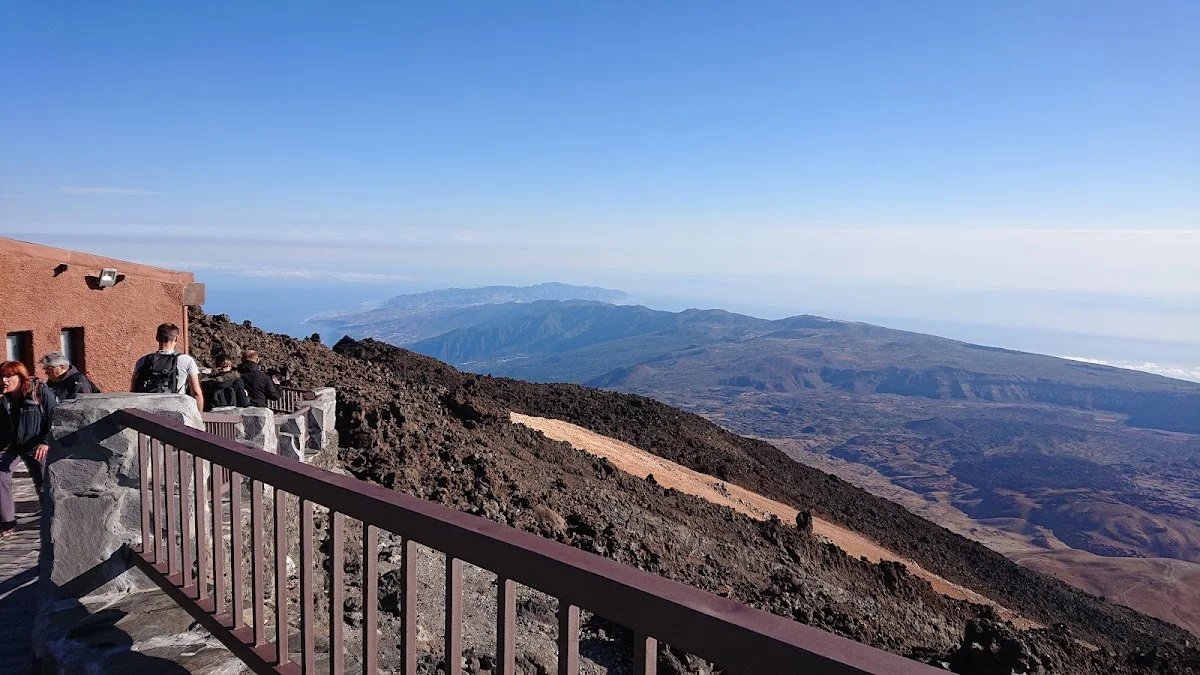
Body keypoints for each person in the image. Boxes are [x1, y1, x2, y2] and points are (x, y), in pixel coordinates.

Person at [0, 361, 56, 536]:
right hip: (12, 445)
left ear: (20, 377)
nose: (4, 380)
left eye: (8, 376)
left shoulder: (38, 390)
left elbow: (54, 416)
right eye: (1, 376)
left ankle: (51, 518)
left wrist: (46, 442)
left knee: (43, 482)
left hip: (36, 444)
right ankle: (7, 522)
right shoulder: (3, 397)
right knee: (0, 475)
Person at [132, 323, 204, 411]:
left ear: (157, 337)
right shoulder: (186, 360)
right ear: (176, 338)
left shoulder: (142, 361)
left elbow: (133, 392)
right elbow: (196, 393)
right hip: (175, 412)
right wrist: (199, 417)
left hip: (147, 414)